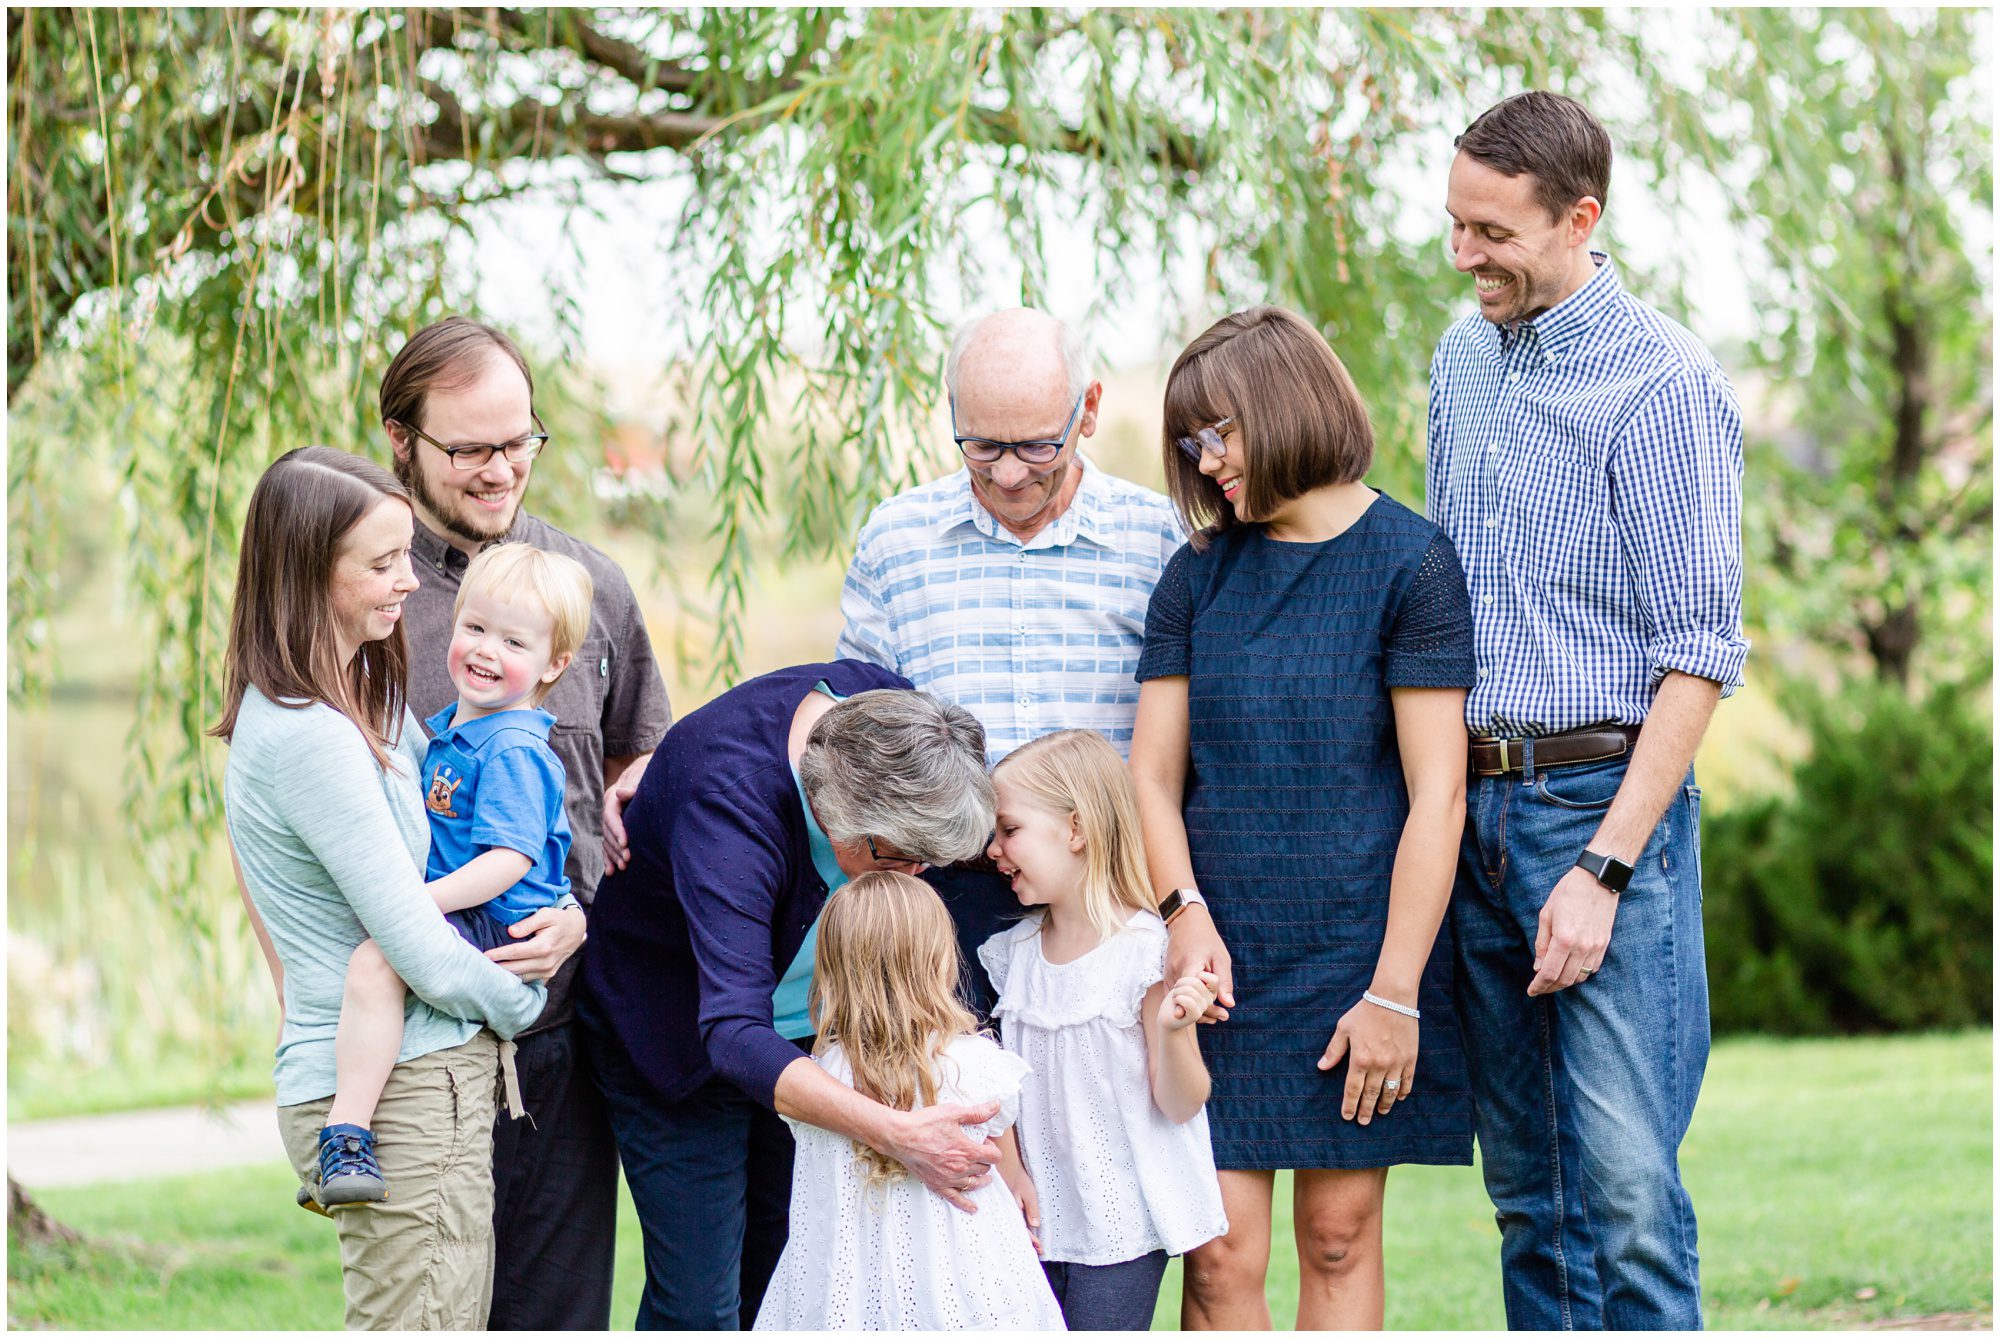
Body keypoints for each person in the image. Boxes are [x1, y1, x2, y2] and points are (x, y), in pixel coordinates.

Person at [1428, 90, 1747, 1330]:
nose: (1464, 258)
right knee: (1526, 1194)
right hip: (1471, 813)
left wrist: (1602, 871)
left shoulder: (1661, 385)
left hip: (1596, 814)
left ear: (1578, 218)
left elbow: (1697, 657)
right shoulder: (1460, 362)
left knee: (1620, 1195)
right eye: (1454, 226)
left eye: (1491, 235)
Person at [1130, 307, 1477, 1330]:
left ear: (1282, 410)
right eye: (1191, 442)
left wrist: (1394, 995)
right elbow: (1150, 778)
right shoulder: (1196, 576)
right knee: (1219, 1259)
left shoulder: (1411, 565)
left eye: (1217, 434)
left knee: (1338, 1238)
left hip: (1358, 959)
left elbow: (1436, 798)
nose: (1204, 462)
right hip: (1221, 967)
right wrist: (1182, 914)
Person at [382, 316, 673, 1329]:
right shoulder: (364, 596)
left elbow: (639, 772)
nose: (501, 469)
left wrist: (587, 911)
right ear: (401, 440)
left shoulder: (591, 591)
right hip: (416, 1040)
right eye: (469, 449)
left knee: (553, 1311)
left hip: (562, 1028)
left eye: (519, 442)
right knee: (427, 1307)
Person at [216, 447, 549, 1328]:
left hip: (387, 1074)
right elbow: (411, 940)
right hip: (400, 1091)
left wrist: (563, 920)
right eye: (381, 562)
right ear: (308, 570)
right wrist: (516, 1004)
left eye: (407, 554)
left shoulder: (353, 694)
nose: (410, 580)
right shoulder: (310, 736)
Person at [579, 665, 1008, 1329]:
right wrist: (893, 1132)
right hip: (678, 1042)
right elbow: (731, 1030)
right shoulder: (732, 802)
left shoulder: (888, 716)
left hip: (810, 1039)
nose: (918, 877)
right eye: (899, 858)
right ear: (840, 815)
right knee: (700, 1304)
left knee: (788, 1279)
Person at [829, 307, 1185, 1009]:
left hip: (1110, 895)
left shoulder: (1159, 540)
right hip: (943, 902)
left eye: (1036, 448)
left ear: (1087, 412)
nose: (1012, 475)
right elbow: (854, 731)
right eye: (983, 447)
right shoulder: (896, 539)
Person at [316, 543, 594, 1203]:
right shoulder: (452, 731)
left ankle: (346, 1132)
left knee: (374, 966)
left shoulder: (514, 749)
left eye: (513, 641)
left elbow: (508, 860)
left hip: (495, 922)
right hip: (470, 909)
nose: (486, 650)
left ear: (555, 663)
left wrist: (414, 904)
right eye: (474, 628)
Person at [977, 729, 1229, 1331]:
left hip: (1117, 1222)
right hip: (1031, 1215)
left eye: (1009, 830)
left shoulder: (1144, 953)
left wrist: (1172, 1033)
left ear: (1077, 829)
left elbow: (1182, 1102)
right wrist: (1008, 1171)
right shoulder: (1011, 957)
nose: (993, 850)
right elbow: (997, 1084)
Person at [753, 872, 1065, 1332]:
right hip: (960, 1282)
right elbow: (995, 1149)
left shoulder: (821, 1077)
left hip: (844, 1285)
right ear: (937, 960)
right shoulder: (971, 1065)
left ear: (834, 966)